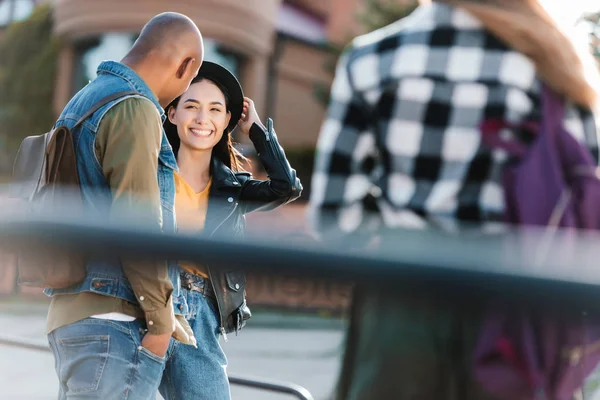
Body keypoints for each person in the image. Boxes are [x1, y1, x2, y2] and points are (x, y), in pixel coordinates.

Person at [308, 0, 600, 399]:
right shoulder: (552, 65)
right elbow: (586, 203)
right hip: (515, 296)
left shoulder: (373, 59)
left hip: (401, 296)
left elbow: (333, 219)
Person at [45, 12, 203, 400]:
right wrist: (161, 326)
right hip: (115, 323)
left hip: (74, 318)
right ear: (186, 66)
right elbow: (138, 221)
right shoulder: (134, 108)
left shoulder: (83, 101)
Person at [160, 61, 302, 400]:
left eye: (215, 110)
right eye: (191, 106)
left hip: (199, 313)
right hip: (147, 298)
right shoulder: (151, 172)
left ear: (226, 122)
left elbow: (285, 187)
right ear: (172, 113)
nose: (201, 118)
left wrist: (256, 130)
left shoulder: (232, 188)